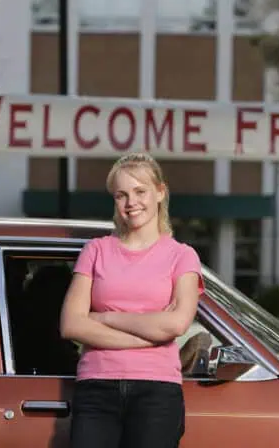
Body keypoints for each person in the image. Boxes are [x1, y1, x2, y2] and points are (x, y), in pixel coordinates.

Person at [60, 152, 204, 448]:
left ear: (160, 192)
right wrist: (148, 336)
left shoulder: (182, 255)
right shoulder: (95, 250)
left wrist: (103, 317)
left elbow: (176, 323)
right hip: (96, 387)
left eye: (140, 192)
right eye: (121, 195)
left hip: (157, 392)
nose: (131, 202)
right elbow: (71, 325)